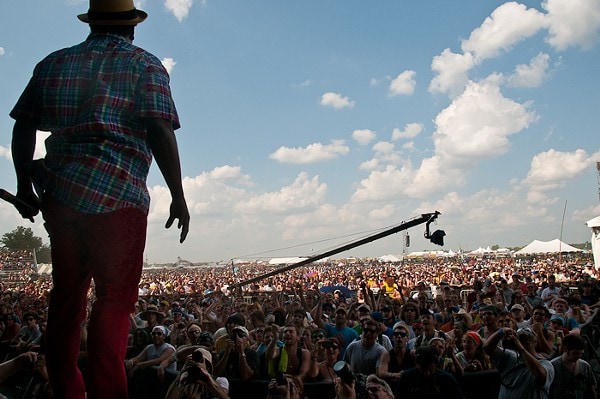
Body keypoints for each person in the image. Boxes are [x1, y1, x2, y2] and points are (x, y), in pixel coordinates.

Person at [9, 1, 190, 398]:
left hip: (62, 195)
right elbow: (159, 128)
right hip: (120, 197)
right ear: (132, 27)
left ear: (91, 23)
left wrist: (24, 184)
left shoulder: (53, 64)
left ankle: (67, 391)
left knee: (66, 302)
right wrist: (178, 195)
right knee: (115, 304)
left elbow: (24, 124)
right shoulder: (145, 64)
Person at [483, 327, 554, 398]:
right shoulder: (510, 357)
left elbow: (539, 373)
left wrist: (521, 348)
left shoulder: (546, 363)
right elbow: (487, 348)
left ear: (535, 342)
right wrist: (500, 332)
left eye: (527, 338)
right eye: (521, 339)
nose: (524, 342)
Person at [394, 345, 464, 399]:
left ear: (436, 364)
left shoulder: (447, 379)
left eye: (430, 370)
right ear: (417, 364)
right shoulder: (407, 377)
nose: (426, 373)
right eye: (423, 370)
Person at [550, 334, 597, 399]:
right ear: (565, 349)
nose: (578, 357)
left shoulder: (585, 366)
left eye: (581, 354)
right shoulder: (552, 367)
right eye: (575, 353)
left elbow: (591, 388)